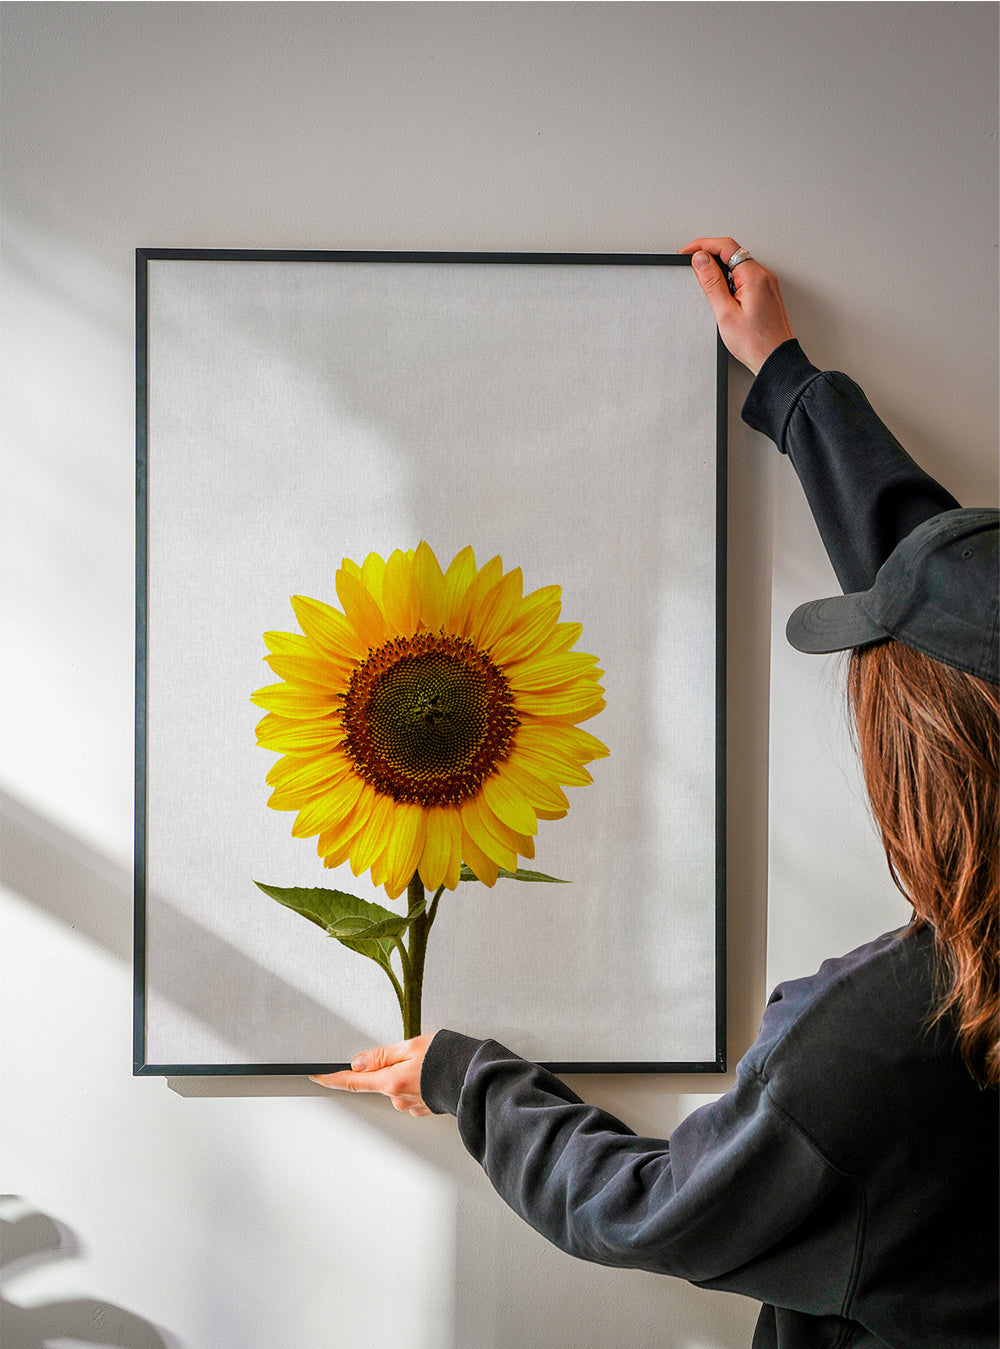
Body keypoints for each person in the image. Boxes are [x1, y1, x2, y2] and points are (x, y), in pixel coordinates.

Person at [310, 238, 999, 1348]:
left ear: (917, 755)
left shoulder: (888, 1045)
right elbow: (959, 603)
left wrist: (465, 1076)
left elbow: (647, 1208)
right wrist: (790, 386)